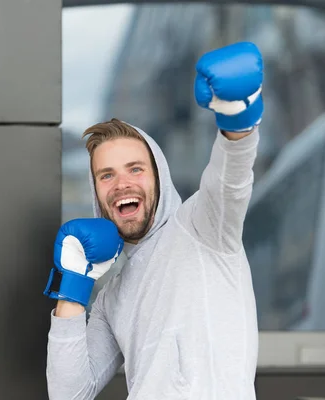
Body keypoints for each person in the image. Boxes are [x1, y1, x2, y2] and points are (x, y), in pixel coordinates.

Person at [43, 41, 263, 399]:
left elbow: (231, 178)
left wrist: (237, 116)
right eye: (106, 175)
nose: (122, 184)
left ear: (158, 176)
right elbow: (69, 393)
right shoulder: (111, 297)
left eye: (135, 169)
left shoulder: (201, 226)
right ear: (96, 192)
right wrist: (72, 286)